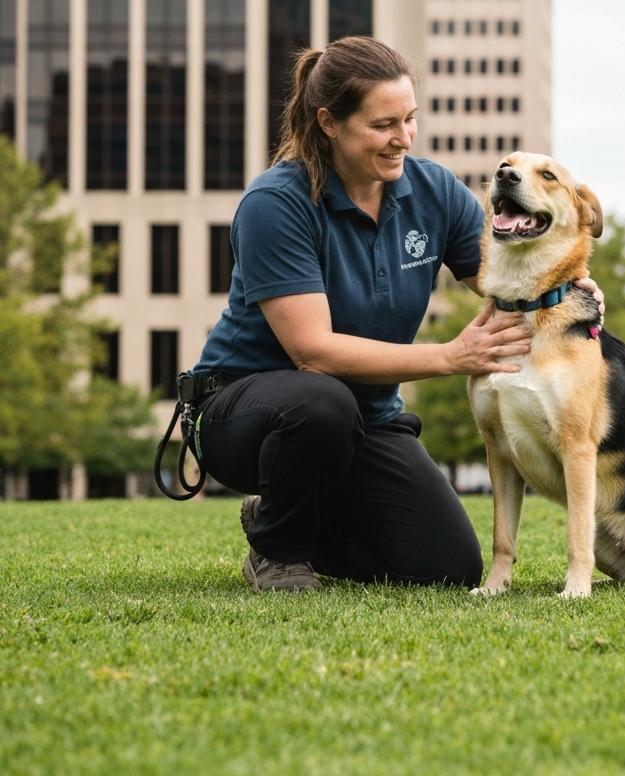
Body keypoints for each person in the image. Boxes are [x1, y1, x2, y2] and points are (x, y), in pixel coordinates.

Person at [190, 36, 603, 592]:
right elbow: (313, 352)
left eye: (409, 119)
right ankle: (279, 549)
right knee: (319, 400)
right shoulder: (276, 204)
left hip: (367, 418)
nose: (403, 138)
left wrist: (564, 285)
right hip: (248, 412)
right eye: (384, 125)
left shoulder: (429, 189)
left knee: (446, 566)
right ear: (329, 123)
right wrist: (451, 357)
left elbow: (502, 277)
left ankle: (296, 517)